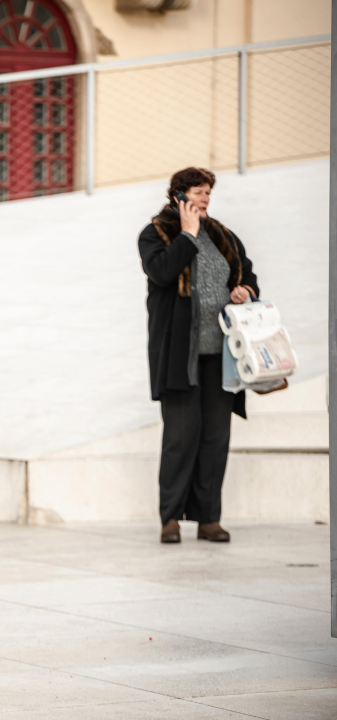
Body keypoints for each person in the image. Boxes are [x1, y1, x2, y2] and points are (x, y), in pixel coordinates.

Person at [138, 167, 259, 545]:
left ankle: (209, 519)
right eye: (198, 191)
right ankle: (170, 519)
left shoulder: (222, 234)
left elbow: (249, 275)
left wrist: (245, 292)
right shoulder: (156, 233)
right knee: (180, 436)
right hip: (180, 356)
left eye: (208, 191)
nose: (205, 198)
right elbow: (161, 272)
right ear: (179, 195)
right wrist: (188, 235)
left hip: (221, 355)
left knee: (215, 437)